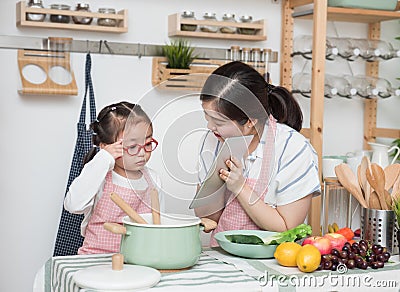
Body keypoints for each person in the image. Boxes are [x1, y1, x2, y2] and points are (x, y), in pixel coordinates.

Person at [195, 61, 320, 247]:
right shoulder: (212, 141)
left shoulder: (292, 148)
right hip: (222, 255)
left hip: (276, 261)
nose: (210, 127)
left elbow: (286, 227)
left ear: (250, 122)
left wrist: (240, 187)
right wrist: (215, 184)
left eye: (218, 122)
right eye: (207, 118)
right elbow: (207, 216)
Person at [64, 101, 164, 254]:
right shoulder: (101, 177)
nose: (143, 153)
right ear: (106, 147)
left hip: (137, 259)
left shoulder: (153, 179)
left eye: (148, 143)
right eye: (132, 147)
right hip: (95, 259)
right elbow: (73, 205)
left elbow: (159, 224)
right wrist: (103, 159)